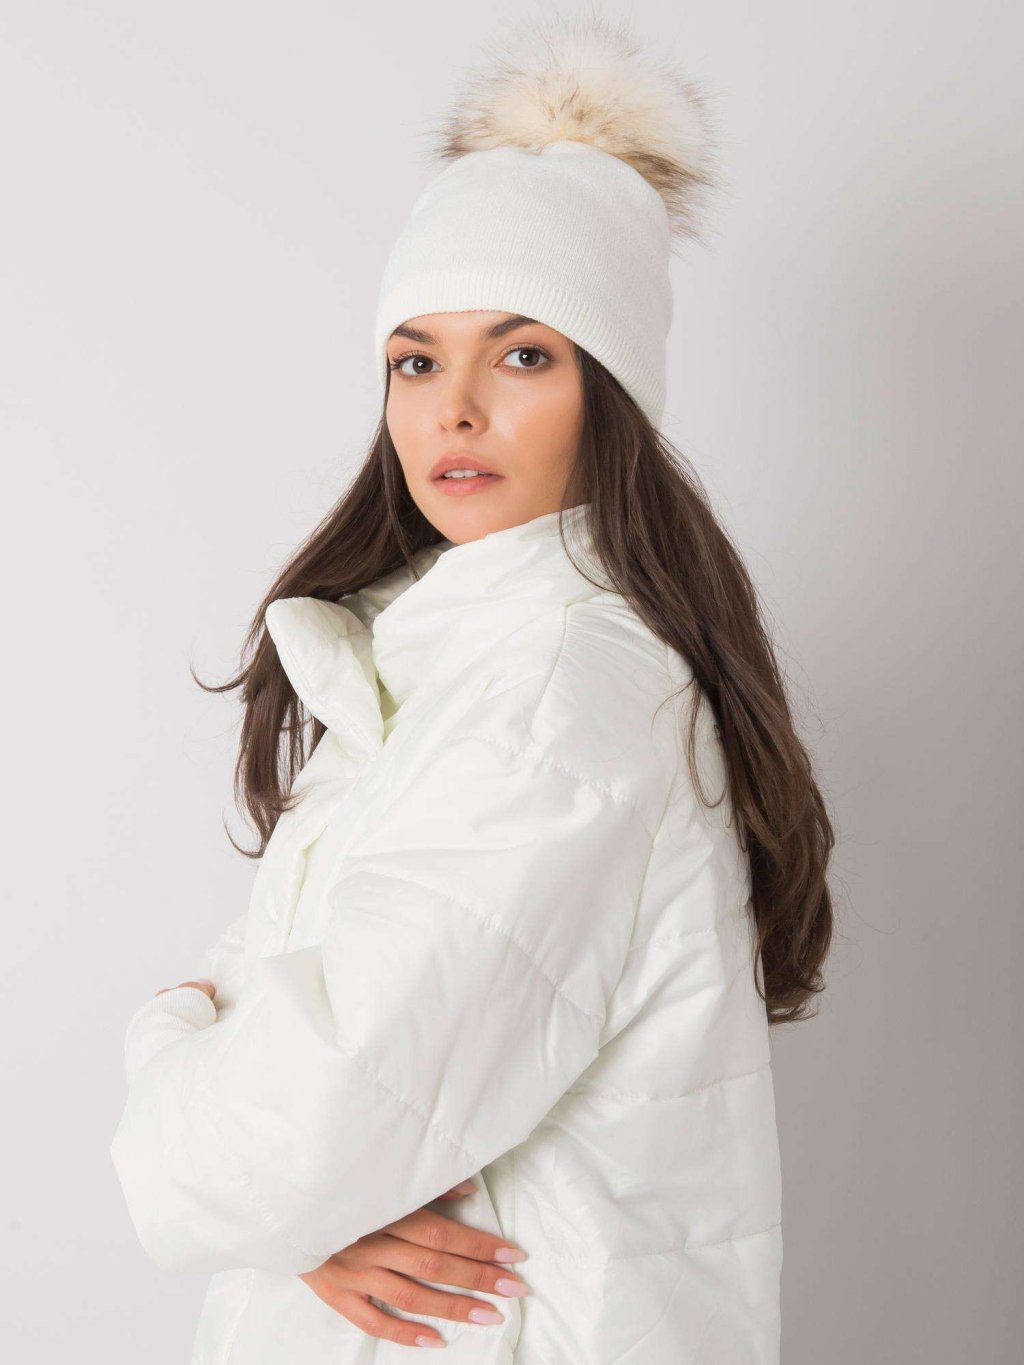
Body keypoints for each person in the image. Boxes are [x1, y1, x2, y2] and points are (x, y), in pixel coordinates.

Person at [110, 11, 835, 1363]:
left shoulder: (557, 694)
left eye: (522, 353)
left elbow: (288, 1129)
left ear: (609, 393)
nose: (453, 407)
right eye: (415, 359)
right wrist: (295, 1189)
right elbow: (313, 1120)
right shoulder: (440, 661)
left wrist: (167, 1043)